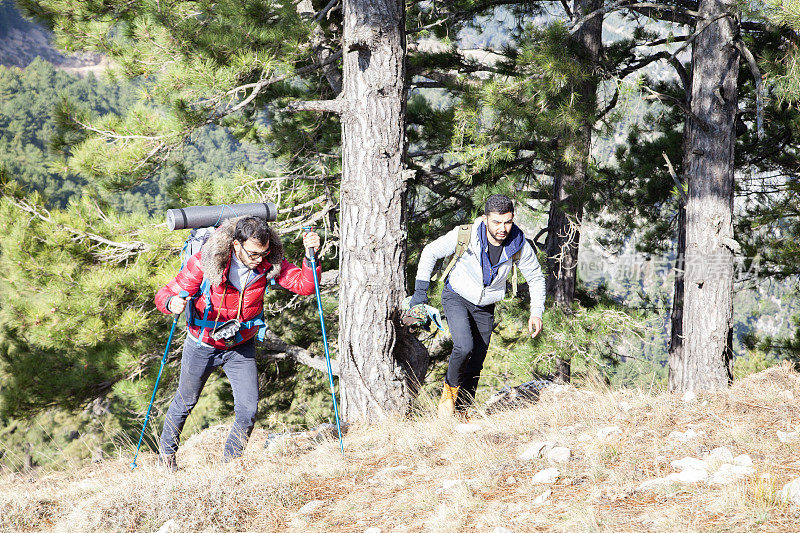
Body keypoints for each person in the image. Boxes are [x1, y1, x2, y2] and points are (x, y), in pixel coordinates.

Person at [154, 216, 321, 470]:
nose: (258, 260)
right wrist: (170, 303)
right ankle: (166, 459)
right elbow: (164, 294)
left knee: (248, 410)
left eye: (263, 253)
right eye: (253, 254)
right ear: (235, 245)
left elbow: (305, 286)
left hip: (240, 344)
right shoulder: (205, 261)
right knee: (185, 402)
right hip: (202, 343)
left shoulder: (269, 264)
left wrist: (311, 257)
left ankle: (230, 465)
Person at [410, 194, 546, 417]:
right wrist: (419, 293)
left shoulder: (518, 244)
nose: (503, 228)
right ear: (485, 219)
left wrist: (536, 312)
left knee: (477, 360)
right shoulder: (466, 234)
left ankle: (463, 412)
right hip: (456, 295)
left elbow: (536, 278)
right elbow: (430, 251)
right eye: (497, 222)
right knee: (464, 346)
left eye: (508, 222)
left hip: (486, 305)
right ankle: (448, 398)